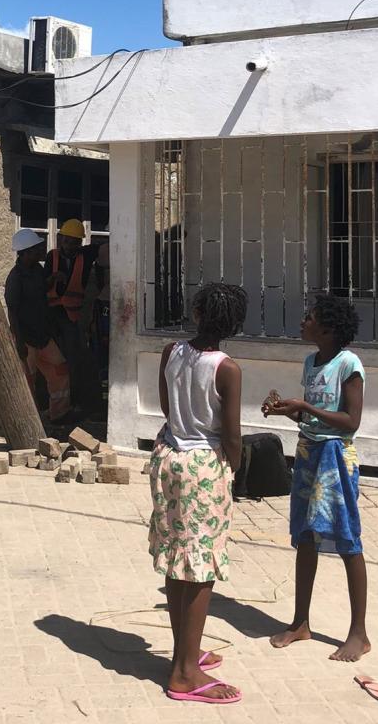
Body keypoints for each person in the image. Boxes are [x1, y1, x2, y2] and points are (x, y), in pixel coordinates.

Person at [149, 282, 247, 705]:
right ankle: (185, 673)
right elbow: (232, 434)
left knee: (177, 560)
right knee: (202, 567)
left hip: (168, 457)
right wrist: (235, 470)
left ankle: (186, 653)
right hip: (204, 466)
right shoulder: (227, 368)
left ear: (198, 312)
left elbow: (168, 410)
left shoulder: (171, 352)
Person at [263, 293, 370, 662]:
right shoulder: (311, 361)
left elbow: (350, 422)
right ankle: (300, 622)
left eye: (309, 318)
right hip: (309, 453)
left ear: (327, 328)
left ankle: (359, 633)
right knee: (305, 536)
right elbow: (313, 419)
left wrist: (305, 406)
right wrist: (288, 412)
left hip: (336, 458)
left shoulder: (349, 364)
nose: (302, 322)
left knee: (346, 538)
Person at [4, 228, 71, 424]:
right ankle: (28, 422)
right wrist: (19, 343)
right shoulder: (15, 278)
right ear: (25, 252)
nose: (40, 251)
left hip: (43, 335)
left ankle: (58, 414)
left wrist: (53, 279)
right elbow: (12, 312)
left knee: (60, 370)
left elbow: (42, 290)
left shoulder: (37, 270)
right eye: (36, 249)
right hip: (26, 338)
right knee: (27, 381)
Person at [44, 219, 101, 416]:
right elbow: (43, 284)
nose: (70, 246)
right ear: (61, 239)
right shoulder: (53, 257)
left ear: (80, 244)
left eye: (74, 243)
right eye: (67, 242)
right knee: (55, 361)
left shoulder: (84, 256)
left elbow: (102, 248)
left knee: (73, 359)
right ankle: (54, 403)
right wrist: (52, 279)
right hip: (53, 314)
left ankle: (74, 402)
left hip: (73, 316)